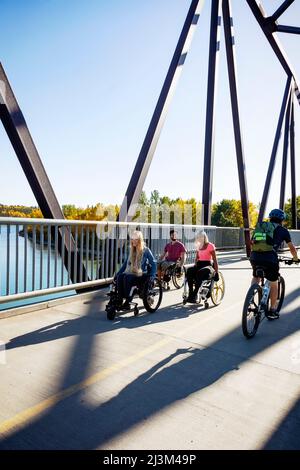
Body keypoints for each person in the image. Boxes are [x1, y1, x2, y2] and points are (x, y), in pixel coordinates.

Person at [250, 208, 299, 319]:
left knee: (256, 276)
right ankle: (272, 310)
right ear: (282, 220)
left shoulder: (261, 227)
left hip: (255, 256)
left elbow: (252, 242)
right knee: (274, 282)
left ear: (270, 217)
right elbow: (291, 248)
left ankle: (251, 295)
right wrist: (295, 258)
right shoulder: (283, 230)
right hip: (270, 258)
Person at [115, 230, 157, 310]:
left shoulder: (146, 250)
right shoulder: (131, 250)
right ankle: (120, 299)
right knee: (120, 277)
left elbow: (154, 263)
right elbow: (125, 265)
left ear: (140, 240)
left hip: (142, 274)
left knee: (127, 277)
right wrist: (117, 274)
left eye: (136, 239)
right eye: (132, 239)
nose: (133, 241)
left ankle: (128, 301)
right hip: (131, 272)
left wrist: (152, 276)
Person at [186, 231, 219, 303]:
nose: (200, 238)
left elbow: (215, 260)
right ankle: (191, 294)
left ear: (204, 237)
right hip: (199, 264)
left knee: (201, 272)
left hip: (208, 265)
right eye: (199, 237)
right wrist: (195, 266)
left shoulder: (210, 245)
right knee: (189, 271)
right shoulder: (198, 246)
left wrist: (216, 272)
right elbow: (197, 258)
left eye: (201, 237)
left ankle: (195, 294)